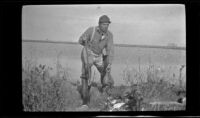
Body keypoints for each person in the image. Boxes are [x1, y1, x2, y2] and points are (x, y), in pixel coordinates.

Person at [78, 15, 114, 105]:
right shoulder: (91, 30)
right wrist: (83, 40)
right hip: (88, 54)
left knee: (105, 72)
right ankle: (84, 98)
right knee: (85, 74)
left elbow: (110, 50)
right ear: (99, 24)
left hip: (98, 56)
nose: (106, 26)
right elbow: (80, 41)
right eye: (104, 24)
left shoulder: (109, 35)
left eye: (107, 24)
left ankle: (105, 90)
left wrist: (109, 63)